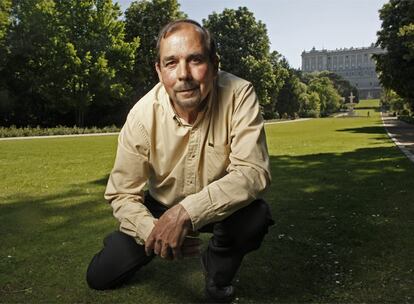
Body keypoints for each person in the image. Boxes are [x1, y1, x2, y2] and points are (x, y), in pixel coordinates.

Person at [86, 19, 274, 303]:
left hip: (220, 207)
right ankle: (137, 244)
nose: (183, 74)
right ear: (159, 71)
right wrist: (154, 232)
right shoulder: (141, 116)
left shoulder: (239, 94)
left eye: (195, 59)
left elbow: (252, 171)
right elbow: (123, 194)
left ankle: (217, 272)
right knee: (100, 276)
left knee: (255, 217)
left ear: (214, 64)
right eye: (171, 63)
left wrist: (187, 212)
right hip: (159, 206)